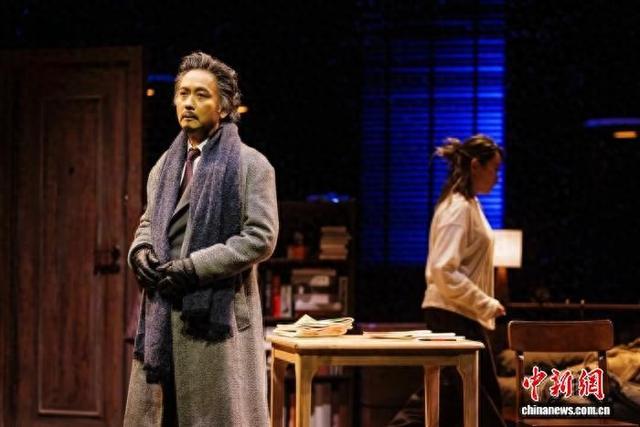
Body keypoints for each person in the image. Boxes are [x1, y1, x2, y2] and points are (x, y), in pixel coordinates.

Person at [124, 51, 278, 427]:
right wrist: (140, 251)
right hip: (163, 313)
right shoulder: (164, 166)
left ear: (224, 107)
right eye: (183, 93)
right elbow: (148, 222)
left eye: (201, 95)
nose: (189, 103)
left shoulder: (250, 165)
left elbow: (260, 237)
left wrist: (195, 268)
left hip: (215, 320)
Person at [388, 134, 507, 427]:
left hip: (458, 312)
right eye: (494, 168)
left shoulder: (469, 204)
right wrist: (486, 303)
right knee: (476, 397)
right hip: (451, 313)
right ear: (476, 165)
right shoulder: (458, 208)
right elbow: (443, 269)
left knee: (454, 394)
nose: (497, 177)